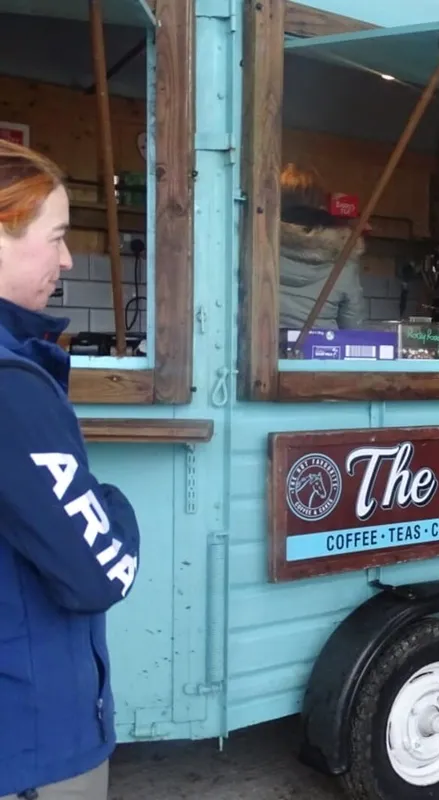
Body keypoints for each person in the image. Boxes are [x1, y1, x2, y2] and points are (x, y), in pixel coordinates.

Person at [0, 141, 142, 800]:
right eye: (55, 237)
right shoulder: (12, 387)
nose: (66, 258)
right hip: (33, 739)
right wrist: (114, 503)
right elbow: (99, 570)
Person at [278, 163, 367, 331]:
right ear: (321, 203)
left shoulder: (255, 244)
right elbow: (354, 328)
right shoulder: (343, 254)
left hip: (260, 350)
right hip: (319, 352)